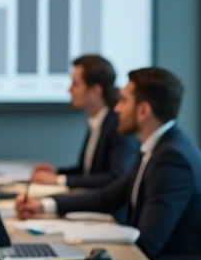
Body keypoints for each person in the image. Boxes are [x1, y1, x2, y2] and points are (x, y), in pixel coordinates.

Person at [17, 67, 201, 260]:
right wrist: (44, 205)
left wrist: (88, 238)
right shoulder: (156, 147)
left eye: (123, 101)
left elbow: (148, 243)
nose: (117, 108)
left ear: (143, 111)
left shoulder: (173, 160)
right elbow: (107, 197)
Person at [30, 54, 140, 190]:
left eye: (75, 84)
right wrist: (56, 172)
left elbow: (115, 176)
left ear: (95, 91)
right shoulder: (97, 120)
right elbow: (87, 172)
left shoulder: (118, 124)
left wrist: (59, 180)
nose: (69, 90)